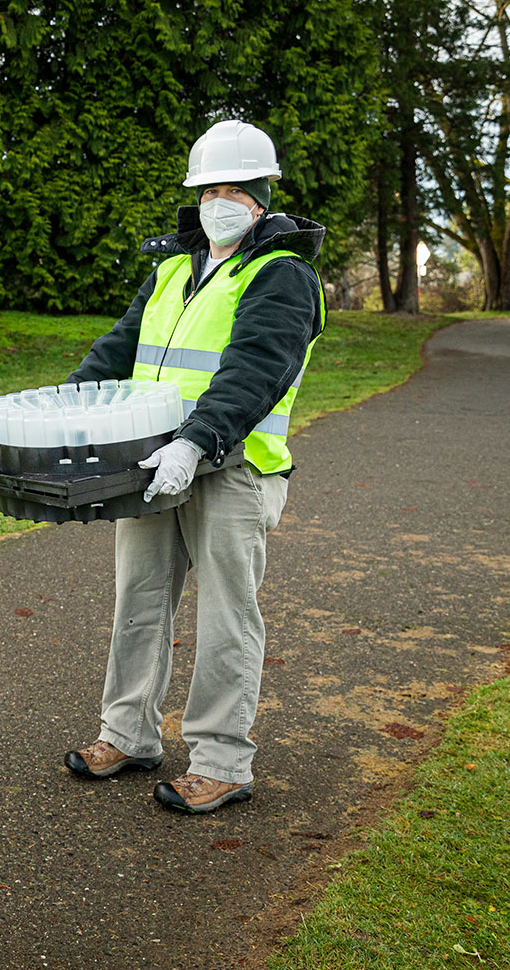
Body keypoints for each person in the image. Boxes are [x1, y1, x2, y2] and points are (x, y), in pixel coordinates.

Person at [62, 120, 325, 814]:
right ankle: (127, 733)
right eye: (211, 187)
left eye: (238, 188)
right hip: (153, 466)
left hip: (234, 468)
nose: (222, 200)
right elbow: (119, 352)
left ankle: (222, 760)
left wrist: (194, 443)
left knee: (226, 617)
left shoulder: (283, 275)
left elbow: (254, 371)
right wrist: (67, 405)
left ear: (264, 197)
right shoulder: (173, 270)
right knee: (140, 599)